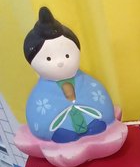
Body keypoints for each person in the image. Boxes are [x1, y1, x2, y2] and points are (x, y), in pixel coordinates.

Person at [23, 7, 115, 143]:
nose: (60, 62)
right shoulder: (40, 94)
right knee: (59, 132)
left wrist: (105, 116)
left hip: (93, 125)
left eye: (67, 55)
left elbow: (103, 105)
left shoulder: (87, 82)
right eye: (48, 58)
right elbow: (38, 120)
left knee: (98, 123)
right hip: (61, 132)